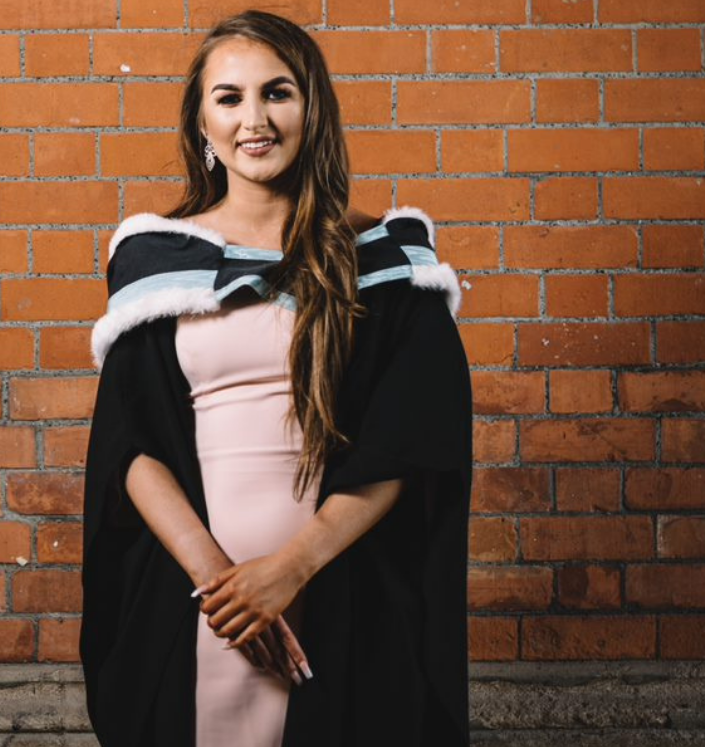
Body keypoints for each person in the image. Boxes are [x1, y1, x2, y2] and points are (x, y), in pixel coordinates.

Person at [80, 10, 473, 746]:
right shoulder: (157, 262)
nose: (253, 119)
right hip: (194, 603)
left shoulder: (384, 261)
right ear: (202, 122)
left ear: (310, 109)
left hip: (345, 591)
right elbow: (130, 443)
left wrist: (290, 570)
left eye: (277, 92)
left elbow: (412, 436)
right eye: (228, 98)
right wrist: (222, 588)